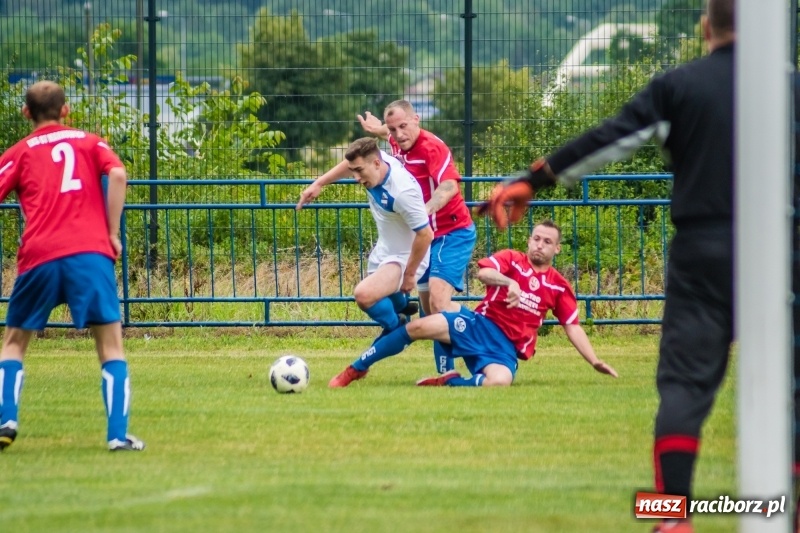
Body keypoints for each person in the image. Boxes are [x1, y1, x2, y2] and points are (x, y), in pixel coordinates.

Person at [478, 1, 733, 531]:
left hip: (706, 246)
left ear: (705, 27)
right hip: (783, 246)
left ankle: (674, 516)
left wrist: (531, 181)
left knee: (685, 385)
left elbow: (607, 138)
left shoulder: (681, 86)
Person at [0, 81, 144, 452]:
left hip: (40, 255)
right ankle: (116, 437)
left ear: (26, 113)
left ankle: (6, 419)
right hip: (90, 254)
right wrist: (112, 233)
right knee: (111, 348)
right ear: (66, 110)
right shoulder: (89, 141)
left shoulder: (18, 152)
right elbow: (118, 175)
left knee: (14, 344)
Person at [328, 220, 618, 388]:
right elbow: (484, 272)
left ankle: (449, 381)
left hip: (506, 349)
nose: (539, 245)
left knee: (501, 382)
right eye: (536, 238)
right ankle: (354, 369)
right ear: (529, 241)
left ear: (557, 248)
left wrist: (594, 360)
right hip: (478, 325)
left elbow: (573, 326)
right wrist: (510, 282)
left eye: (547, 241)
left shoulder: (558, 285)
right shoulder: (511, 259)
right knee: (419, 326)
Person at [358, 100, 477, 377]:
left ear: (417, 120)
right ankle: (456, 359)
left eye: (403, 126)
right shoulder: (398, 140)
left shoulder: (433, 148)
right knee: (429, 312)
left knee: (438, 303)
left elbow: (448, 186)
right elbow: (388, 135)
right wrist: (378, 129)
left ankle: (464, 353)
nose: (398, 134)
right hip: (423, 238)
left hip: (451, 232)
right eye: (393, 129)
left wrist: (427, 208)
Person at [297, 137, 433, 348]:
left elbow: (426, 235)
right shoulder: (377, 160)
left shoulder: (403, 192)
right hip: (385, 249)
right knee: (390, 297)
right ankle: (403, 308)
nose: (356, 177)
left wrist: (410, 274)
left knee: (364, 295)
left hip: (406, 257)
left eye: (360, 171)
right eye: (354, 171)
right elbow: (348, 164)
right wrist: (318, 184)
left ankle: (397, 329)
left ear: (376, 164)